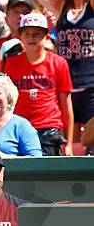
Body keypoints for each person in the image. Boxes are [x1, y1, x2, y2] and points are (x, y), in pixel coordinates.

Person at [43, 0, 94, 147]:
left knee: (88, 142)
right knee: (72, 148)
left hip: (92, 87)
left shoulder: (92, 6)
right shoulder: (61, 7)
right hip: (67, 89)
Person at [4, 13, 74, 156]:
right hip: (19, 127)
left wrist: (69, 144)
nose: (31, 38)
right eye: (27, 33)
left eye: (37, 34)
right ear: (20, 36)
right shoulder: (11, 63)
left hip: (49, 128)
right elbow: (7, 102)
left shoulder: (59, 63)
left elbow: (66, 106)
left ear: (46, 36)